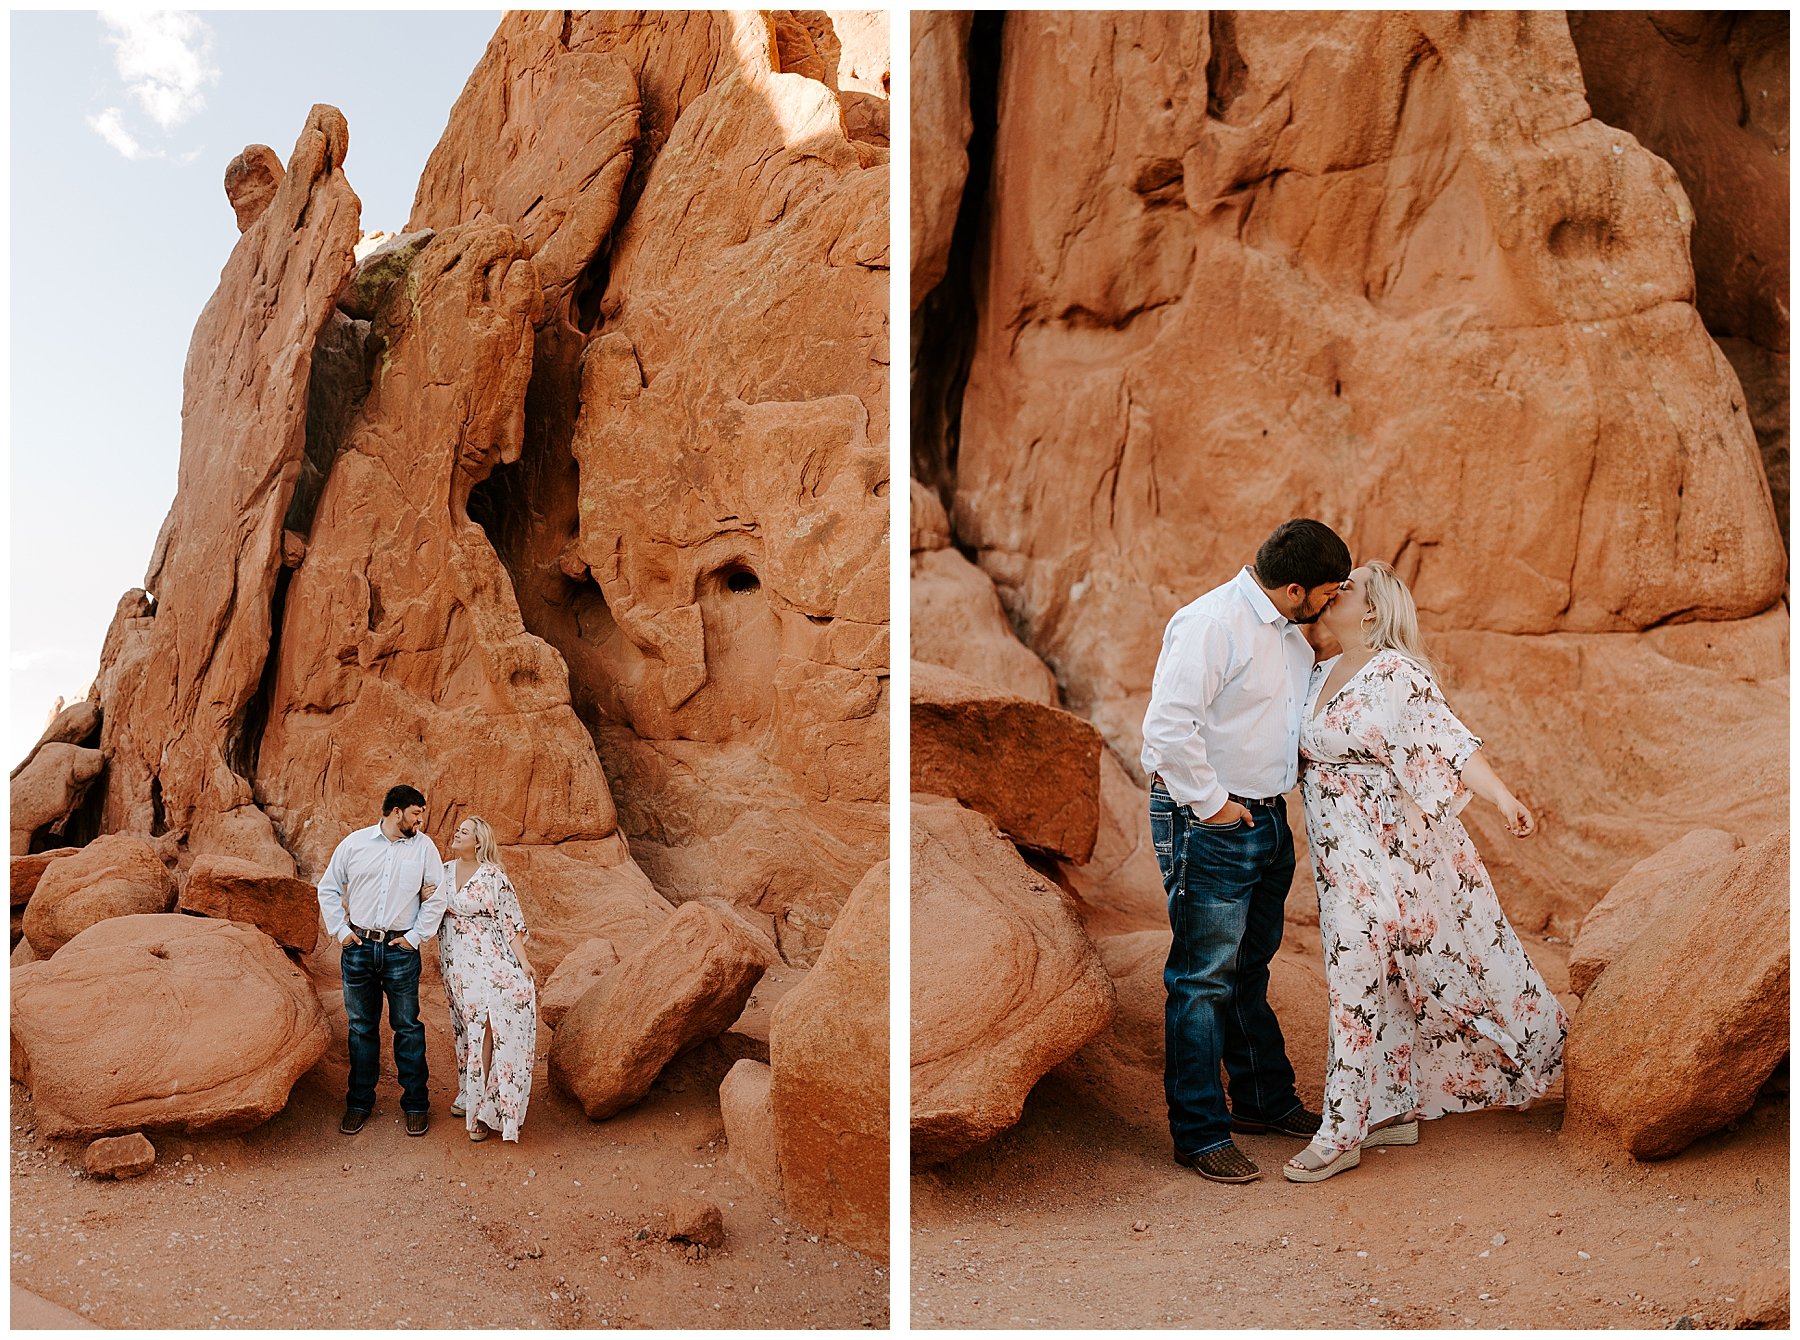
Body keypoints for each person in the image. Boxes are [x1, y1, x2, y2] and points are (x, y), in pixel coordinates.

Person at [1285, 560, 1567, 1183]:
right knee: (1377, 974)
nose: (1336, 590)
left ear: (1373, 610)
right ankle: (1390, 1106)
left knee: (1364, 969)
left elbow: (1450, 745)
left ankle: (1341, 1126)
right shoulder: (1319, 670)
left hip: (1394, 854)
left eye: (1349, 585)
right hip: (1338, 855)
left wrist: (1504, 798)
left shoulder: (1398, 675)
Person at [1141, 518, 1352, 1182]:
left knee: (1248, 970)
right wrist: (1215, 808)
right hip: (1214, 821)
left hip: (1267, 819)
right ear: (1296, 588)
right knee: (1202, 980)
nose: (1332, 603)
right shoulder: (1212, 623)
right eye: (1328, 591)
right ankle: (1199, 1132)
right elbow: (1169, 727)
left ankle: (1261, 1102)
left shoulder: (1290, 639)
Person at [316, 784, 448, 1136]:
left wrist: (416, 937)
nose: (421, 820)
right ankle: (359, 1103)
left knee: (407, 1027)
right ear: (396, 811)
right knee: (361, 1028)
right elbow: (328, 887)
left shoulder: (424, 848)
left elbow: (439, 895)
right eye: (416, 813)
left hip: (400, 951)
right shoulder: (355, 844)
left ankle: (416, 1105)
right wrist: (341, 931)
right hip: (358, 947)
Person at [438, 815, 538, 1143]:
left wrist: (523, 962)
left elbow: (511, 923)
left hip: (488, 958)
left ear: (478, 841)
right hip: (454, 962)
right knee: (465, 1026)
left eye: (463, 832)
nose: (457, 833)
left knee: (486, 1026)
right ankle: (469, 1093)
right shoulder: (444, 870)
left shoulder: (493, 876)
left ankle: (483, 1111)